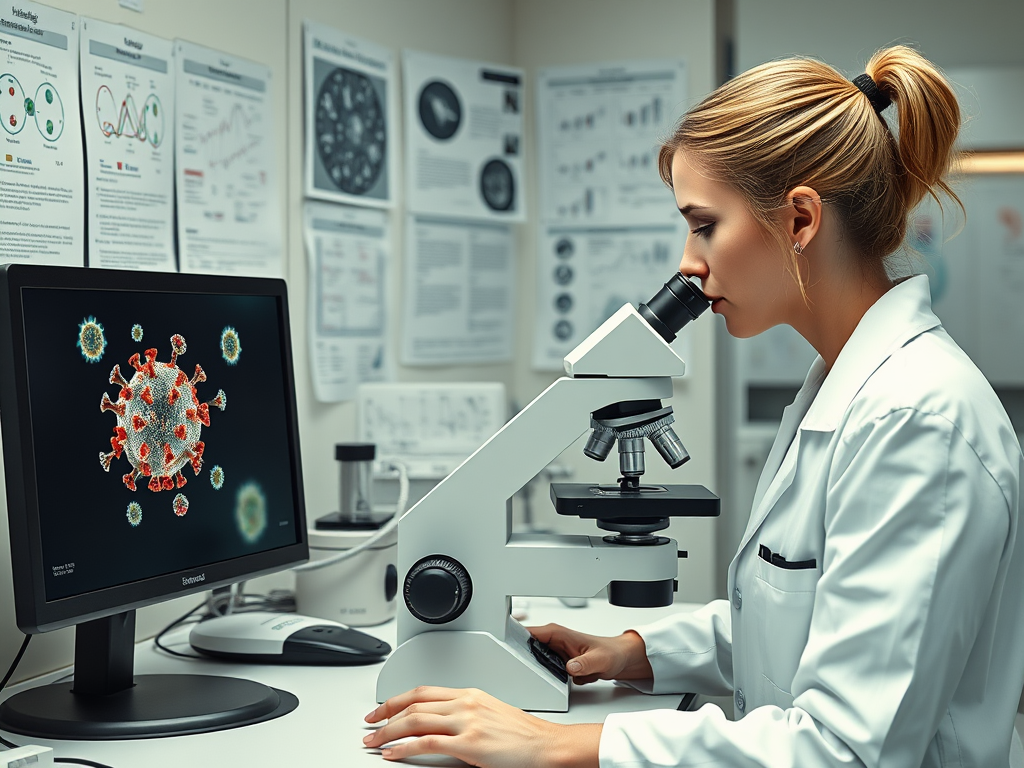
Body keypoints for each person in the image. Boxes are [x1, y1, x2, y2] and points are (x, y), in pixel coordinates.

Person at [363, 44, 1024, 767]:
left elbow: (844, 751)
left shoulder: (916, 423)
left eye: (704, 223)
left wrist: (562, 743)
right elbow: (793, 621)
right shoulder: (843, 391)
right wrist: (633, 651)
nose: (689, 260)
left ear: (801, 220)